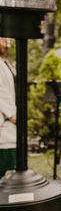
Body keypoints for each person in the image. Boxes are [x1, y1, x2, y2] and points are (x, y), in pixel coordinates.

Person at [0, 38, 16, 177]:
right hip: (4, 122)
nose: (8, 42)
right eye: (4, 39)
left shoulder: (5, 63)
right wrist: (12, 115)